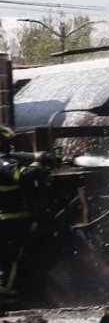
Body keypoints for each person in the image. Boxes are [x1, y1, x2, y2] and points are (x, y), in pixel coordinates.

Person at [0, 127, 47, 304]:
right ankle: (5, 293)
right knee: (11, 257)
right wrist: (37, 164)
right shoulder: (3, 162)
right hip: (11, 218)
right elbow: (21, 174)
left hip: (5, 219)